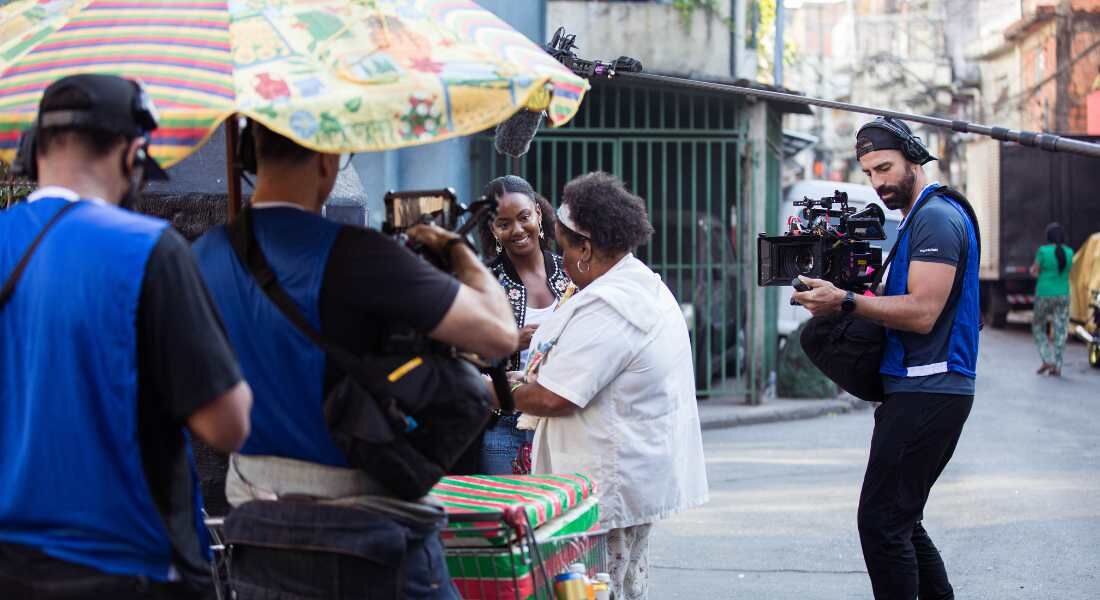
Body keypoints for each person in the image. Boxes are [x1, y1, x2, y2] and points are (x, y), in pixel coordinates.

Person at [192, 121, 517, 599]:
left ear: (247, 158)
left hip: (258, 537)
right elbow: (498, 333)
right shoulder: (358, 253)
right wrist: (457, 251)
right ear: (327, 161)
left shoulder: (201, 256)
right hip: (368, 544)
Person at [0, 74, 253, 599]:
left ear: (32, 152)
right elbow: (226, 425)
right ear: (133, 154)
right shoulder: (148, 248)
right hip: (130, 566)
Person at [794, 117, 980, 600]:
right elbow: (898, 300)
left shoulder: (937, 218)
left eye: (885, 168)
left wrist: (847, 302)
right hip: (919, 388)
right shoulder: (918, 219)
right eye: (869, 173)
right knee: (901, 519)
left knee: (881, 523)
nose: (878, 183)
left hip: (930, 388)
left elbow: (922, 313)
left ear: (913, 158)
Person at [510, 172, 709, 600]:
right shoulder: (638, 286)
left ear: (585, 248)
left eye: (563, 249)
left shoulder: (616, 305)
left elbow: (553, 396)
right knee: (620, 587)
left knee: (598, 590)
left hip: (606, 488)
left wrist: (491, 390)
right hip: (620, 479)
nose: (559, 261)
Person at [476, 175, 571, 474]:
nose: (517, 229)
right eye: (504, 223)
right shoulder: (483, 281)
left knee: (561, 517)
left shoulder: (571, 273)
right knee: (508, 516)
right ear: (492, 229)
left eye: (523, 217)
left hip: (562, 422)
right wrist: (507, 342)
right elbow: (458, 356)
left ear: (538, 215)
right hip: (506, 427)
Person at [1031, 222, 1074, 376]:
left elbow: (1035, 271)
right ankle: (1058, 364)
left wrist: (1036, 273)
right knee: (1061, 329)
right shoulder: (1069, 252)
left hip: (1044, 294)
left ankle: (1047, 359)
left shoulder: (1043, 251)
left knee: (1038, 326)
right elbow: (1069, 271)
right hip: (1063, 294)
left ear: (1048, 237)